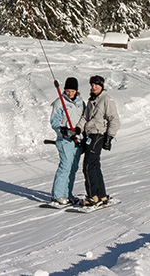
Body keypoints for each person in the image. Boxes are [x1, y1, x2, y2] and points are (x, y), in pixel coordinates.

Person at [76, 75, 120, 206]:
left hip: (98, 134)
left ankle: (92, 196)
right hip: (90, 135)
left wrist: (109, 137)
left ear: (102, 86)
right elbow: (85, 117)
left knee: (88, 166)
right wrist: (78, 128)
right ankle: (101, 195)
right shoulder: (92, 100)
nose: (94, 87)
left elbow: (114, 120)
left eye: (97, 85)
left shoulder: (107, 100)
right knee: (94, 166)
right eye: (92, 85)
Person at [49, 77, 85, 206]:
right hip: (65, 140)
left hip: (77, 139)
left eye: (72, 91)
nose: (70, 93)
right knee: (65, 166)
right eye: (68, 90)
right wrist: (63, 131)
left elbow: (84, 119)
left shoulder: (81, 102)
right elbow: (54, 122)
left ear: (77, 91)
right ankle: (57, 195)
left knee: (73, 168)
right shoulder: (59, 102)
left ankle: (68, 194)